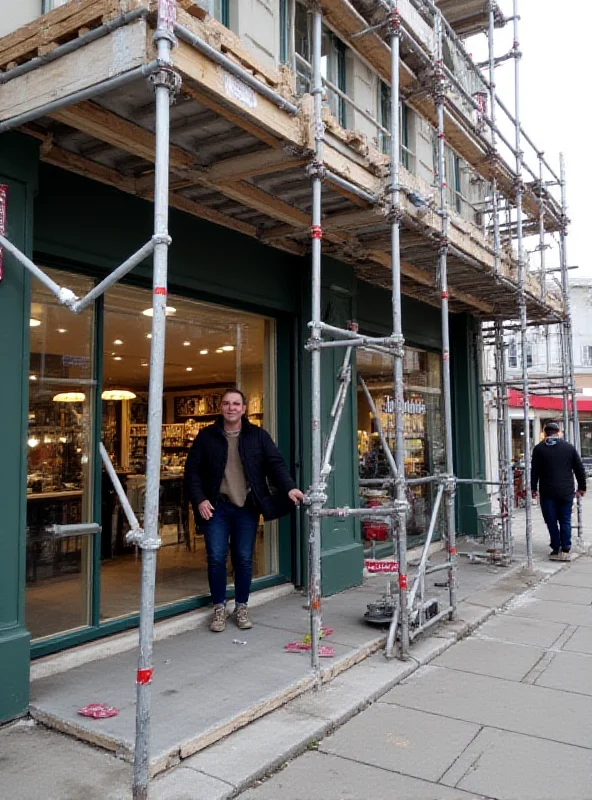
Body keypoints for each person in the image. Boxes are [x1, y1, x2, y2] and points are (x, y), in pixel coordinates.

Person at [184, 388, 304, 632]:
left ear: (244, 408)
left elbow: (275, 464)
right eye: (227, 404)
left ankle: (241, 606)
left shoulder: (257, 436)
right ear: (221, 408)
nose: (231, 408)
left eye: (236, 404)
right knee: (216, 558)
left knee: (243, 559)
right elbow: (192, 472)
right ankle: (219, 608)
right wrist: (200, 499)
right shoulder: (206, 437)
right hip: (216, 507)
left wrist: (289, 488)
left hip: (246, 508)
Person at [531, 421, 586, 561]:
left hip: (547, 491)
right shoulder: (568, 448)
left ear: (545, 433)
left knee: (551, 520)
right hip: (566, 491)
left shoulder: (538, 449)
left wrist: (533, 488)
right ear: (558, 432)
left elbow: (534, 471)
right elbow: (579, 468)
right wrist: (582, 487)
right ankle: (566, 547)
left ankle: (556, 547)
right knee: (565, 520)